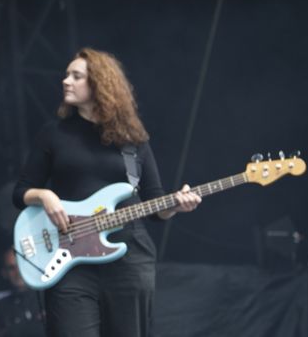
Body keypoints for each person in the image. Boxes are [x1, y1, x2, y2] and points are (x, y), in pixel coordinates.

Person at [11, 47, 200, 337]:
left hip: (129, 260)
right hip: (69, 262)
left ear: (100, 83)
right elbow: (20, 192)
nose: (65, 81)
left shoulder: (133, 139)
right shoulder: (54, 134)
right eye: (66, 75)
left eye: (76, 76)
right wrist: (44, 196)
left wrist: (175, 204)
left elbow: (154, 203)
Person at [0, 247, 44, 337]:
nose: (18, 272)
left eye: (21, 265)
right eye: (12, 268)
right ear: (4, 273)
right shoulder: (1, 307)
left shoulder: (47, 297)